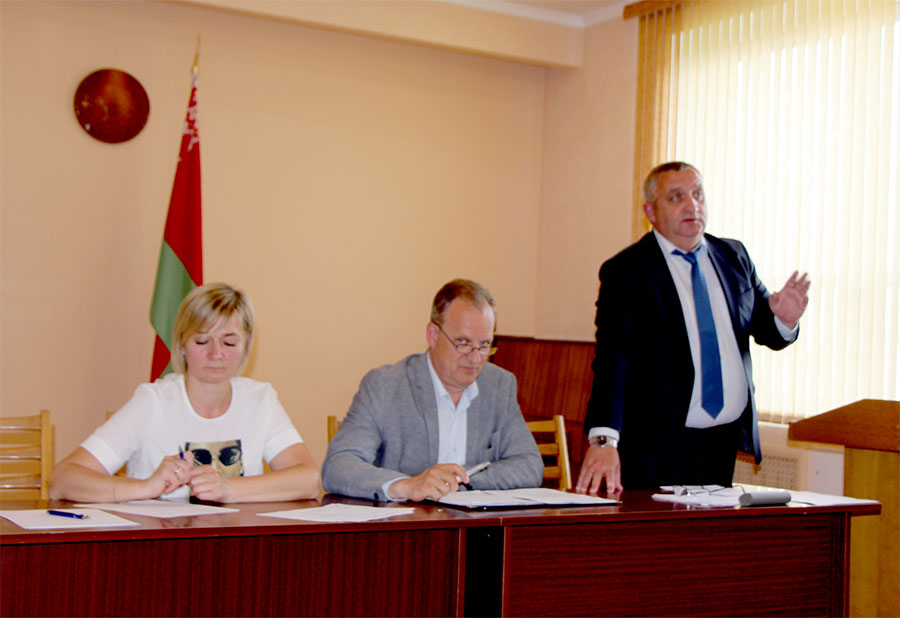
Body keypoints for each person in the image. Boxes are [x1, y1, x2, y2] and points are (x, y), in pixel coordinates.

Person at [576, 162, 810, 494]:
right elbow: (613, 360)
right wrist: (603, 439)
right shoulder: (628, 271)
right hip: (656, 447)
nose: (692, 205)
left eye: (698, 194)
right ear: (650, 211)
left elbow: (765, 329)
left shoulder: (734, 257)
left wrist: (784, 320)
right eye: (676, 197)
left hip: (722, 443)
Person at [50, 282, 320, 503]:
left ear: (246, 344)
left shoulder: (260, 400)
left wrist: (228, 489)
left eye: (229, 342)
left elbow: (308, 479)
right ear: (181, 345)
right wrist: (146, 487)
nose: (216, 354)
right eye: (202, 341)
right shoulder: (153, 402)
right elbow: (63, 480)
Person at [322, 278, 543, 502]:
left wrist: (458, 479)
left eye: (484, 345)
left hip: (474, 521)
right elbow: (338, 467)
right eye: (463, 342)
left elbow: (529, 465)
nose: (476, 358)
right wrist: (407, 485)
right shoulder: (385, 385)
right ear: (433, 335)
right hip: (406, 520)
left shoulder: (499, 385)